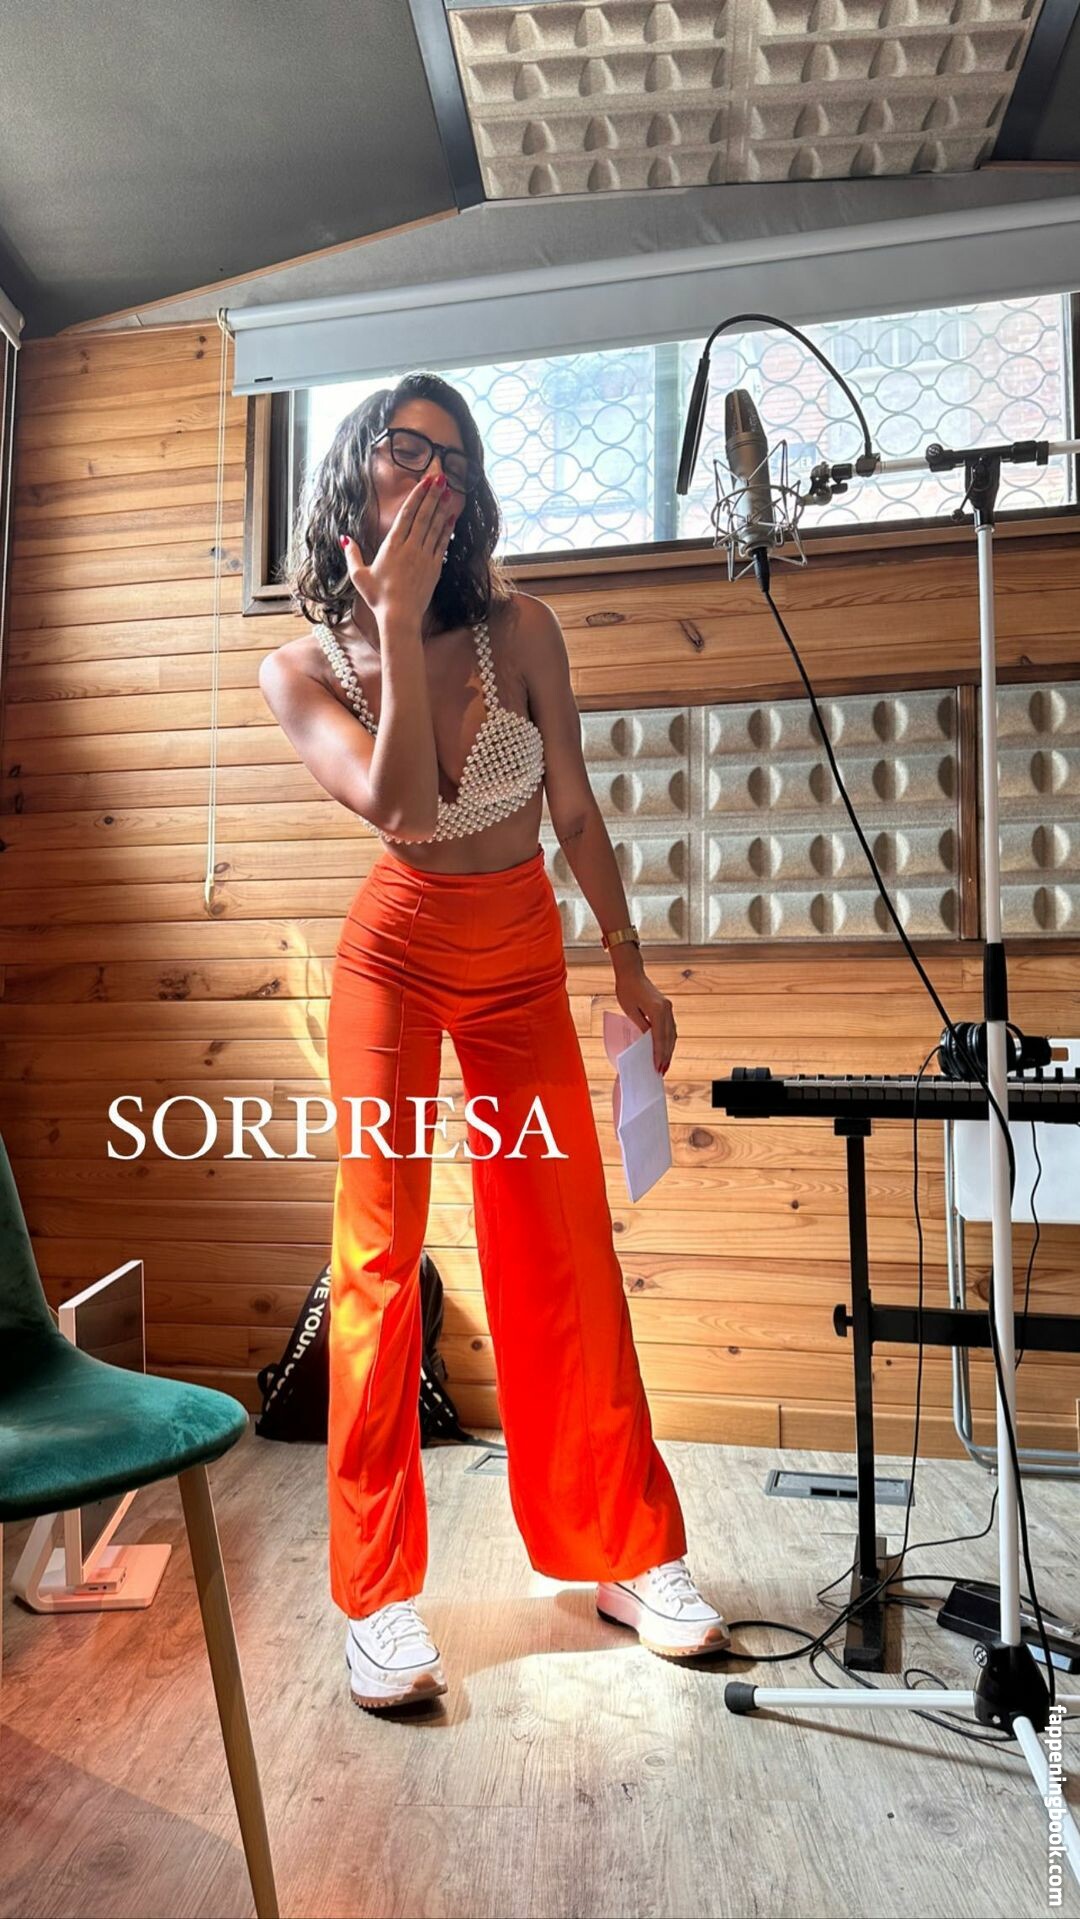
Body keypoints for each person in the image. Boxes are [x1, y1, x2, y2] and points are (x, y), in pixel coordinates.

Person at [259, 371, 728, 1712]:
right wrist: (392, 620)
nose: (433, 475)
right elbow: (404, 809)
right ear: (354, 470)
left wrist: (631, 966)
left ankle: (625, 1552)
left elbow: (571, 806)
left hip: (523, 952)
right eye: (408, 448)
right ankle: (377, 1598)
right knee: (377, 1263)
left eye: (455, 462)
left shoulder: (522, 627)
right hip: (395, 956)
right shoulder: (302, 667)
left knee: (564, 1246)